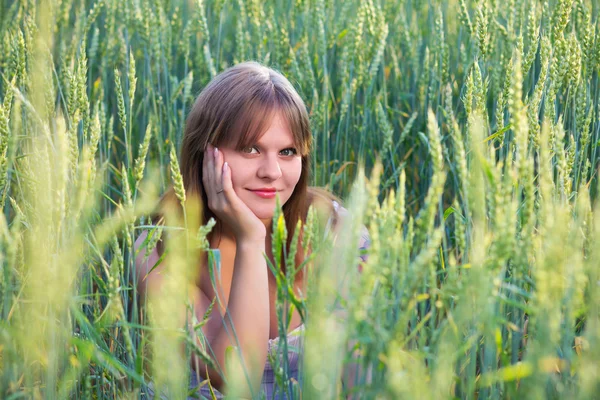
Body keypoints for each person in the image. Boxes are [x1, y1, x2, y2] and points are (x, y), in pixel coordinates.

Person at [134, 61, 369, 399]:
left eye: (287, 152)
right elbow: (236, 377)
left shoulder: (335, 233)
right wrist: (251, 239)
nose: (272, 171)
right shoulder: (159, 249)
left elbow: (364, 378)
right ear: (206, 153)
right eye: (250, 149)